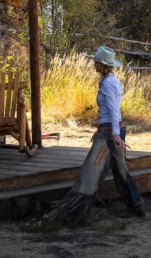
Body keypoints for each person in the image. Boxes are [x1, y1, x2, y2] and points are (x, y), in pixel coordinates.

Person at [48, 46, 146, 225]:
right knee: (120, 170)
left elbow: (114, 110)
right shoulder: (109, 80)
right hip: (108, 130)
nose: (93, 64)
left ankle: (75, 211)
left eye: (95, 62)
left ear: (101, 64)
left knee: (91, 170)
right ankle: (137, 206)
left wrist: (114, 134)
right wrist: (102, 128)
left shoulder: (108, 84)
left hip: (109, 134)